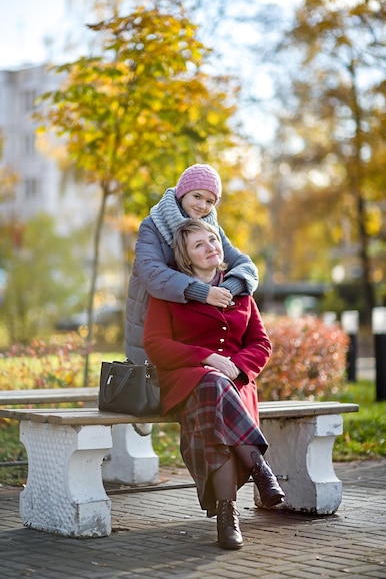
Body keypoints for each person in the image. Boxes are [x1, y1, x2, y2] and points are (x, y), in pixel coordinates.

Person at [143, 219, 285, 550]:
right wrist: (206, 358)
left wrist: (236, 368)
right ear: (185, 256)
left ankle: (227, 516)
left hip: (235, 383)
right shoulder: (170, 292)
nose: (211, 247)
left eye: (213, 240)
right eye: (199, 245)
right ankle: (260, 468)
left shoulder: (240, 291)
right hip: (185, 379)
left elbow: (261, 344)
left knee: (215, 402)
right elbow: (155, 344)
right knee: (210, 383)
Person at [125, 163, 259, 367]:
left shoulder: (211, 229)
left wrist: (226, 289)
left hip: (192, 320)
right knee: (155, 383)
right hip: (154, 313)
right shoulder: (153, 224)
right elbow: (151, 273)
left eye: (209, 201)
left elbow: (245, 266)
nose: (202, 206)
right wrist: (203, 292)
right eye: (197, 196)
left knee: (198, 372)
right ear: (182, 193)